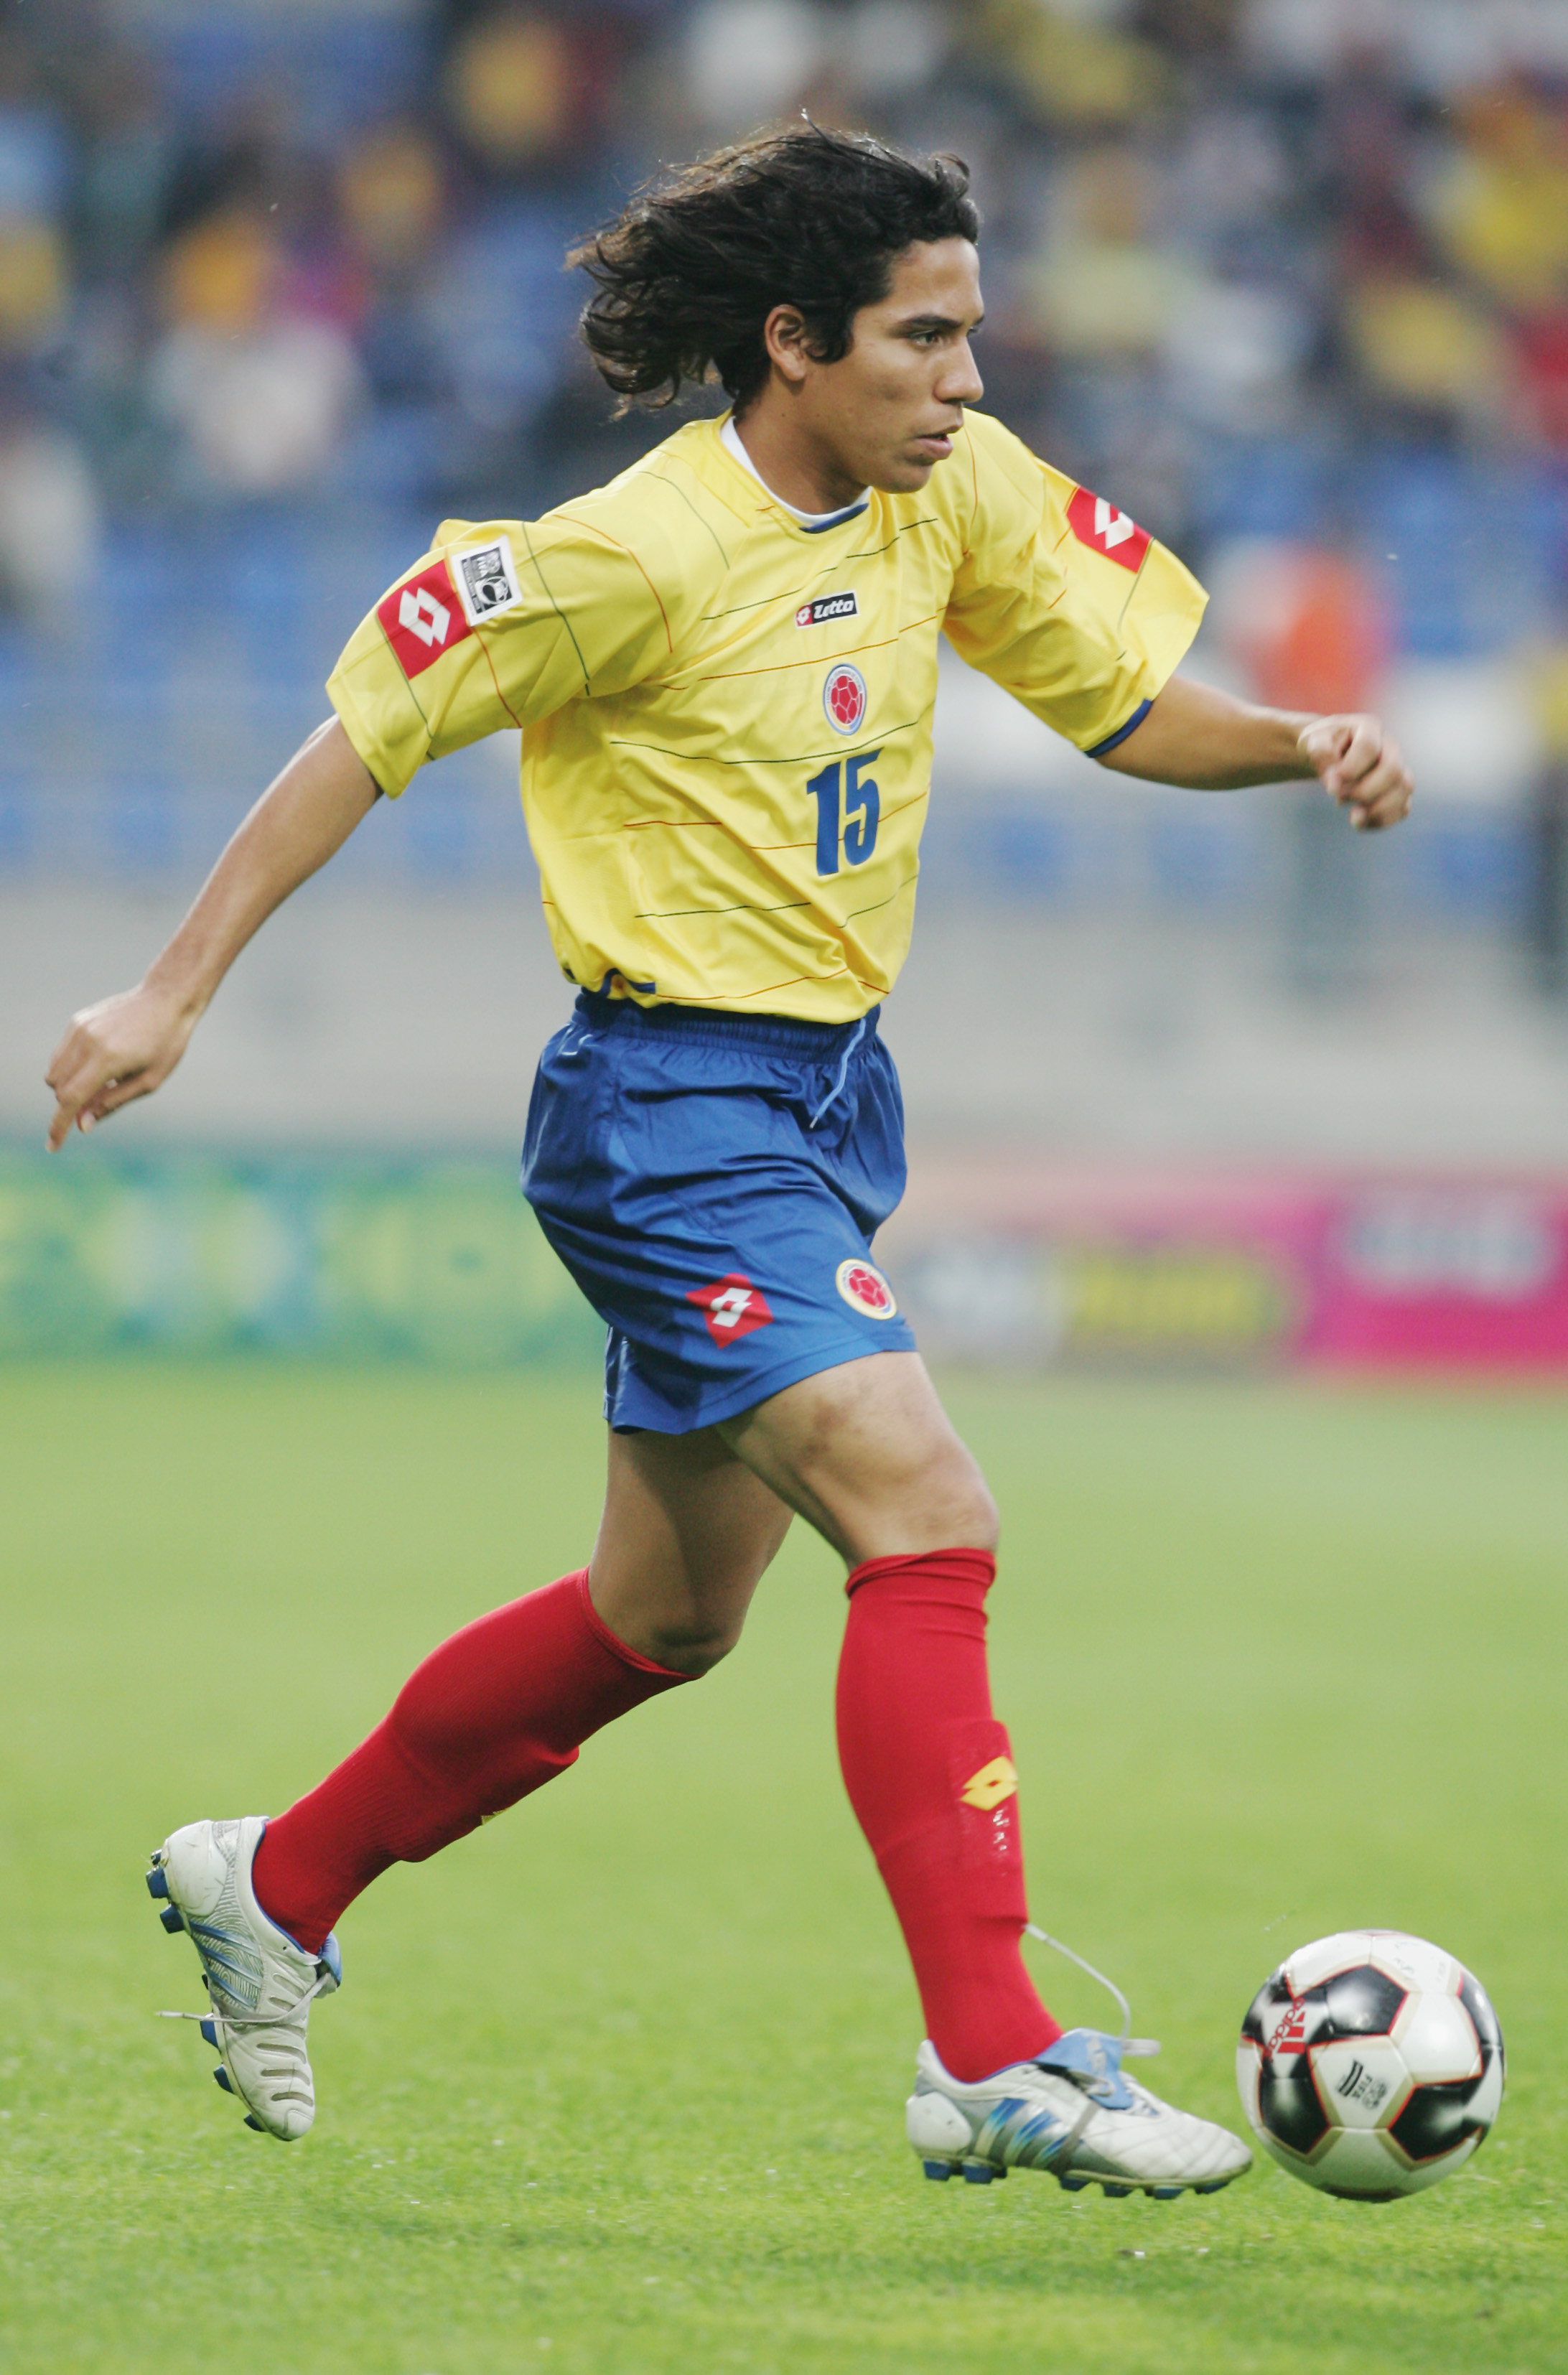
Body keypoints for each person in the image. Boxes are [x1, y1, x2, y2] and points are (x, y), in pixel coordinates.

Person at [45, 127, 1414, 2193]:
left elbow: (1119, 701)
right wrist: (170, 992)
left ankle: (281, 1877)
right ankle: (994, 2050)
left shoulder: (946, 491)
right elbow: (371, 723)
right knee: (927, 1513)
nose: (966, 374)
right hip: (665, 1110)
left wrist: (1299, 746)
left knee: (665, 1616)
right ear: (793, 343)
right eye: (924, 337)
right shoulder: (634, 551)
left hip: (824, 1099)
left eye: (973, 331)